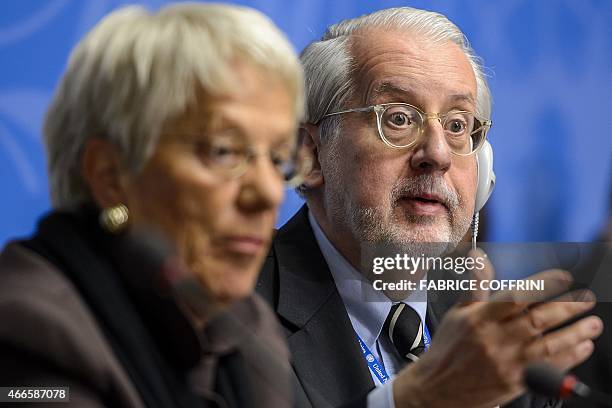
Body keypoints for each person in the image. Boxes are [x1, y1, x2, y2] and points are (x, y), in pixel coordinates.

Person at [257, 7, 603, 408]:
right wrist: (422, 399)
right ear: (311, 155)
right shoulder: (233, 310)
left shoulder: (495, 338)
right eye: (399, 118)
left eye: (457, 125)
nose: (437, 154)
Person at [0, 3, 304, 408]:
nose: (268, 193)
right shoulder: (32, 329)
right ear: (111, 176)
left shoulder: (245, 327)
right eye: (224, 151)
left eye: (278, 157)